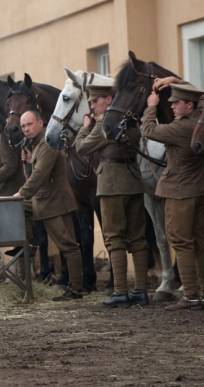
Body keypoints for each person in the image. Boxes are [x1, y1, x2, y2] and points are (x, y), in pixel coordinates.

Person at [75, 82, 149, 307]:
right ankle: (141, 291)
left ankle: (120, 291)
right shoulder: (131, 120)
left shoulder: (106, 122)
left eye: (95, 100)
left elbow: (81, 148)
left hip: (111, 185)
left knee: (114, 237)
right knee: (138, 239)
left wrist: (85, 127)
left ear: (108, 100)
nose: (92, 105)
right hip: (134, 181)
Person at [142, 80, 204, 311]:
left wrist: (151, 106)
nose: (172, 107)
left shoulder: (180, 128)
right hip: (198, 190)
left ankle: (191, 295)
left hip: (180, 192)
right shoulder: (198, 120)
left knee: (181, 241)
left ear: (189, 105)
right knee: (199, 242)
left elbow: (147, 130)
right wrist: (175, 82)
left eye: (177, 103)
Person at [14, 110, 83, 301]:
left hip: (56, 202)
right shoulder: (36, 146)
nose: (26, 129)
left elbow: (40, 176)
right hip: (44, 201)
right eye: (23, 126)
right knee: (65, 246)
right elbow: (34, 175)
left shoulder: (48, 142)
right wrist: (27, 163)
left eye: (29, 124)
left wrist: (21, 193)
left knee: (68, 246)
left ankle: (76, 289)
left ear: (41, 122)